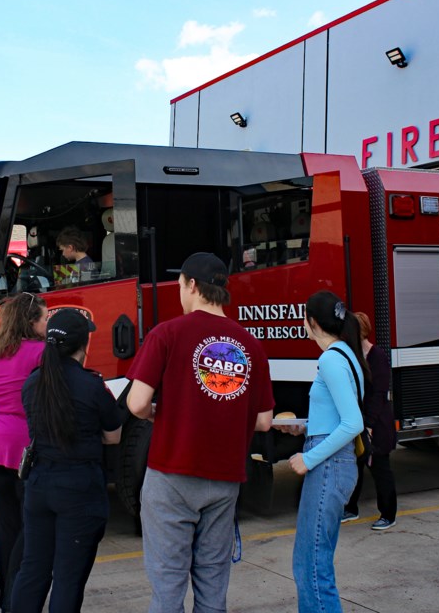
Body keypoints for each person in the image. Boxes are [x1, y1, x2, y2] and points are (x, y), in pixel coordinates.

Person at [127, 252, 275, 613]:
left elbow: (136, 403)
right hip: (224, 479)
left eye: (179, 285)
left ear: (192, 285)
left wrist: (155, 413)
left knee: (167, 586)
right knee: (212, 585)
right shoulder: (250, 345)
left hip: (171, 474)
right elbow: (264, 421)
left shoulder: (168, 333)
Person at [11, 309, 123, 613]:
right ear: (83, 344)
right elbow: (113, 437)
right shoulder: (92, 386)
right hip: (79, 488)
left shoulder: (32, 384)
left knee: (33, 569)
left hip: (39, 486)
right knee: (67, 578)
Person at [280, 290, 365, 613]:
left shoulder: (331, 358)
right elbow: (338, 416)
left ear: (311, 322)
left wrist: (309, 458)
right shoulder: (345, 354)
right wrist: (304, 426)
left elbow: (352, 422)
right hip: (334, 461)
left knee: (311, 566)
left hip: (328, 465)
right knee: (313, 562)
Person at [0, 292, 48, 613]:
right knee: (31, 528)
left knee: (8, 527)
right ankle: (16, 600)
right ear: (31, 322)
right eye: (45, 318)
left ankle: (6, 597)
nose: (49, 323)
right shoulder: (42, 353)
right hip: (24, 447)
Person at [342, 311, 398, 530]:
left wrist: (370, 424)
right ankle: (350, 508)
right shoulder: (355, 357)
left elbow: (379, 394)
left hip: (377, 423)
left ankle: (388, 514)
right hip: (359, 421)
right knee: (354, 466)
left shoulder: (377, 356)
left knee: (380, 469)